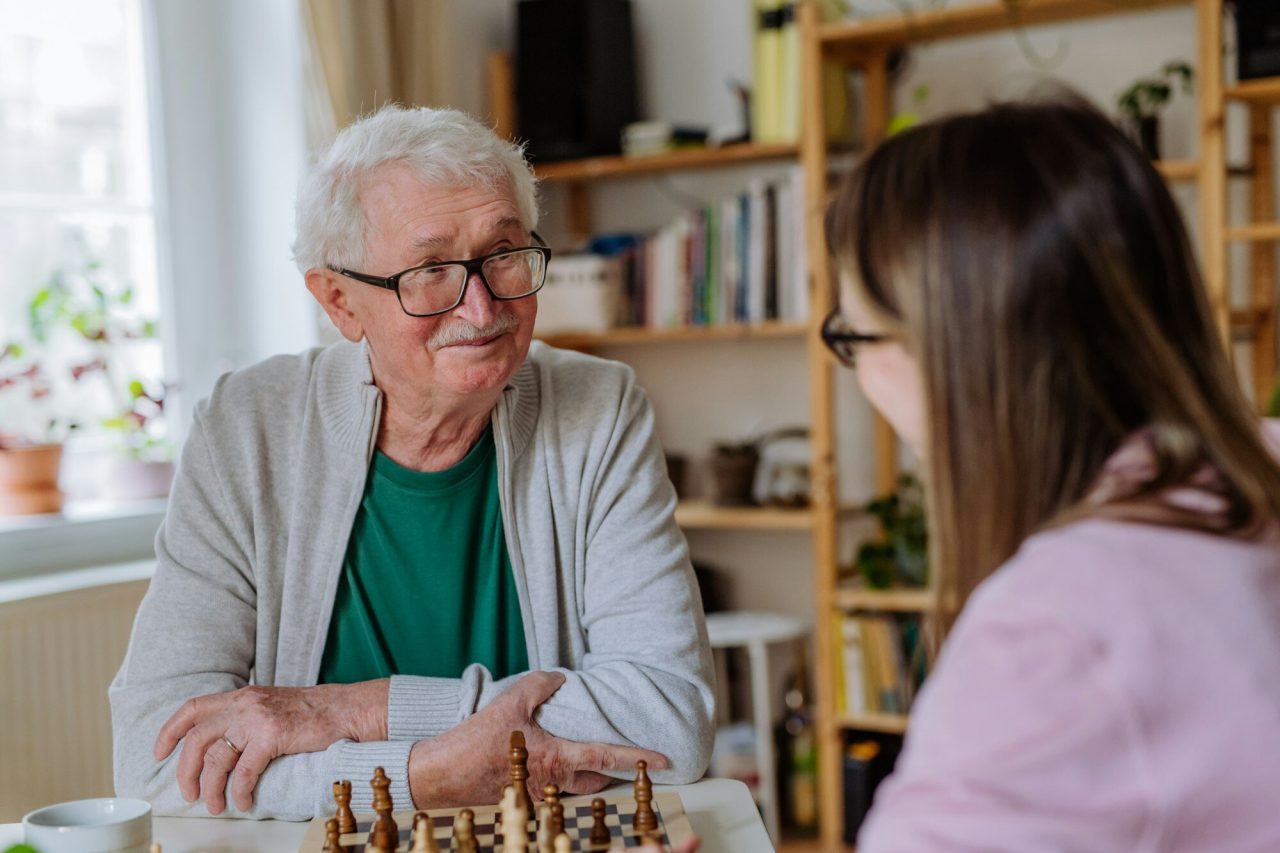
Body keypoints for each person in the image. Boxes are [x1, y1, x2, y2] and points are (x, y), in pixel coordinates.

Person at [110, 105, 714, 820]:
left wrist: (355, 711)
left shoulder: (599, 409)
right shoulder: (247, 431)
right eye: (431, 270)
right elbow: (158, 759)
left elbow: (669, 719)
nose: (482, 305)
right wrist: (424, 774)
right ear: (340, 302)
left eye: (504, 254)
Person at [823, 97, 1280, 850]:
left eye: (854, 336)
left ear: (951, 353)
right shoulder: (1258, 465)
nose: (858, 376)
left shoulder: (1055, 628)